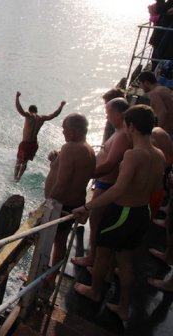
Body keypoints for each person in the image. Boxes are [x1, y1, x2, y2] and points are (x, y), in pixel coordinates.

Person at [72, 105, 166, 322]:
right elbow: (156, 188)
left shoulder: (134, 155)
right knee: (125, 261)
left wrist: (87, 207)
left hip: (122, 212)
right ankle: (123, 307)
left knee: (103, 255)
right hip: (142, 212)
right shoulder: (159, 154)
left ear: (131, 126)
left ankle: (95, 291)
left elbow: (118, 189)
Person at [71, 98, 132, 267]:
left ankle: (93, 259)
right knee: (95, 221)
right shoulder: (119, 131)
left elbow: (111, 164)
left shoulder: (122, 135)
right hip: (102, 183)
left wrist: (86, 175)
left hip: (107, 184)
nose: (106, 117)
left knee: (97, 222)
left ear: (118, 114)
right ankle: (95, 257)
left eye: (108, 113)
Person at [44, 114, 96, 288]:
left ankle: (41, 276)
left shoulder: (70, 147)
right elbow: (75, 173)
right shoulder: (87, 148)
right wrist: (56, 161)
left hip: (61, 205)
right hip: (74, 203)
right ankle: (51, 277)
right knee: (60, 242)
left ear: (73, 132)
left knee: (46, 240)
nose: (63, 132)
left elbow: (64, 181)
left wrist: (48, 204)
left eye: (65, 129)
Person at [14, 91, 66, 181]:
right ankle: (19, 178)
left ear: (30, 110)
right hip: (34, 144)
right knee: (25, 163)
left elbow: (20, 110)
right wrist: (61, 106)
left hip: (25, 143)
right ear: (36, 111)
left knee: (18, 161)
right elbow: (54, 115)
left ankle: (14, 178)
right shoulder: (41, 118)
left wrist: (17, 97)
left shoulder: (28, 115)